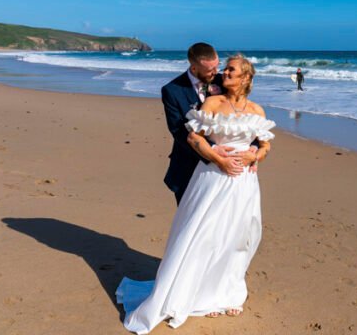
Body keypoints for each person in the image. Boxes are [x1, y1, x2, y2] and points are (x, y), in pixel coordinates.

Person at [118, 55, 275, 333]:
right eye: (224, 68)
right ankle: (202, 294)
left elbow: (265, 145)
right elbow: (194, 137)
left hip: (244, 185)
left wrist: (254, 157)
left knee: (238, 237)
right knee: (206, 235)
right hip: (214, 178)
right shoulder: (213, 103)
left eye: (231, 69)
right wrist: (218, 158)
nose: (224, 72)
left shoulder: (257, 110)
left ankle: (228, 292)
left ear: (246, 78)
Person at [158, 42, 256, 204]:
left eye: (217, 66)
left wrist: (254, 148)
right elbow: (178, 131)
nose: (216, 72)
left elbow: (245, 114)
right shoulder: (172, 90)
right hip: (189, 164)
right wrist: (213, 150)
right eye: (210, 70)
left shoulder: (225, 81)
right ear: (195, 68)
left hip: (227, 170)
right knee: (189, 221)